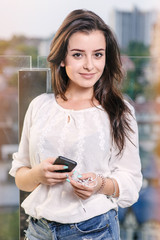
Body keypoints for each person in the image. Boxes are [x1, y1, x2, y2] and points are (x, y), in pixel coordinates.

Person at [9, 9, 142, 240]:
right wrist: (38, 175)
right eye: (78, 55)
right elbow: (21, 174)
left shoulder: (120, 111)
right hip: (38, 230)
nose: (90, 65)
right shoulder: (40, 106)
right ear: (62, 58)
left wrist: (99, 184)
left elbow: (131, 184)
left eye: (98, 54)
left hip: (95, 230)